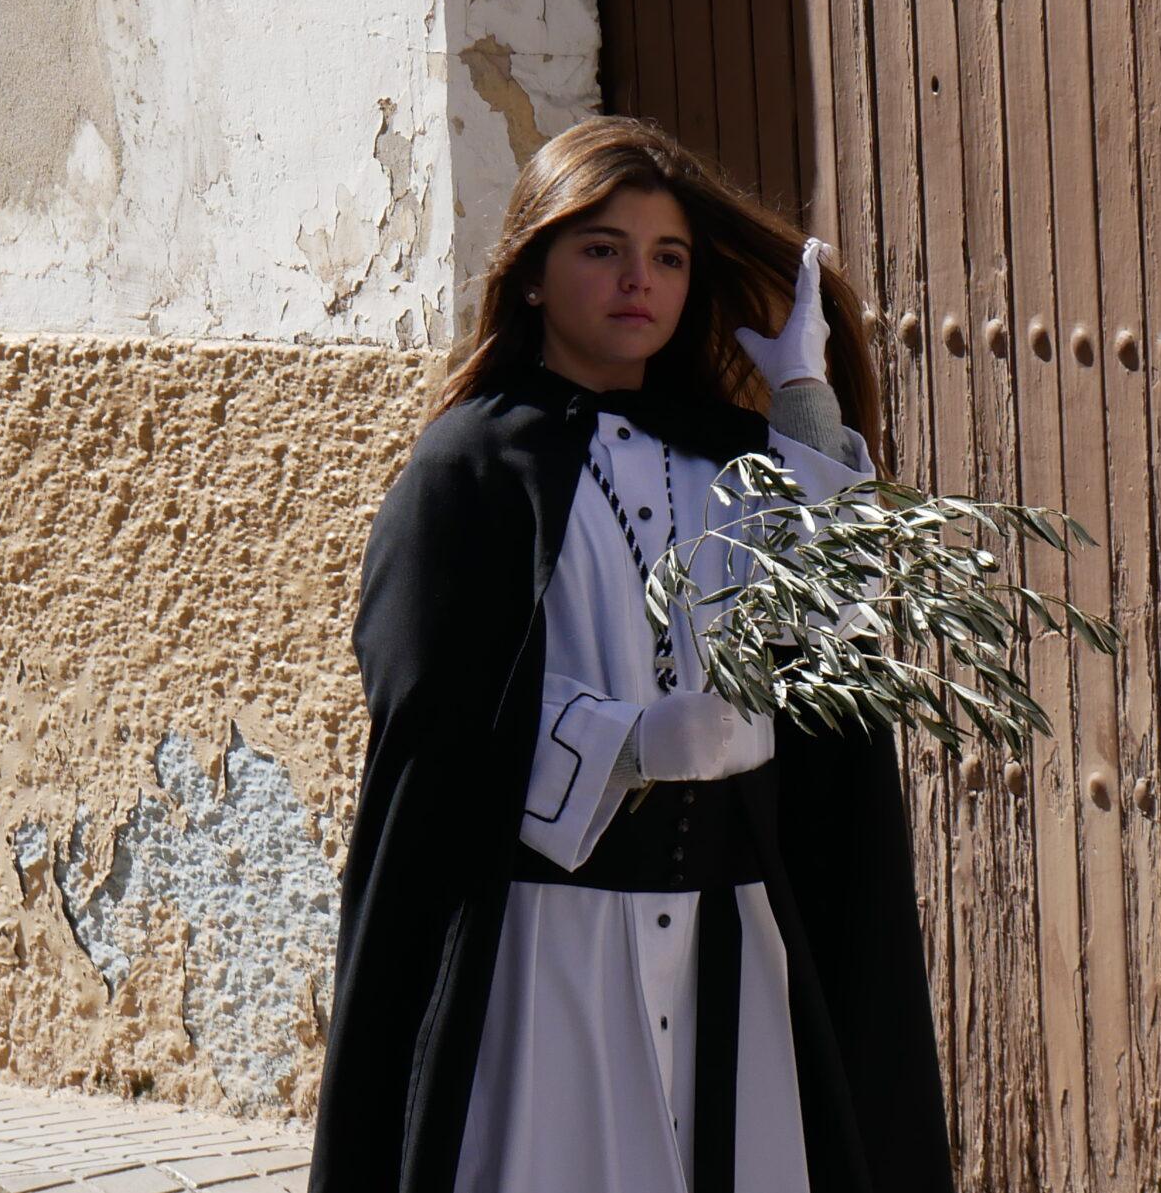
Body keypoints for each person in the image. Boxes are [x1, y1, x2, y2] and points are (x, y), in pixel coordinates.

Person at [308, 115, 953, 1193]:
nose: (636, 281)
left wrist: (804, 406)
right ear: (531, 275)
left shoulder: (729, 459)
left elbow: (832, 639)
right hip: (554, 952)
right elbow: (434, 721)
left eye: (668, 257)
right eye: (601, 249)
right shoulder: (471, 469)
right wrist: (623, 744)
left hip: (729, 944)